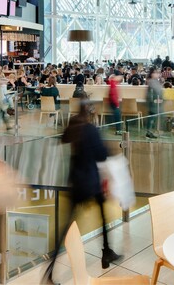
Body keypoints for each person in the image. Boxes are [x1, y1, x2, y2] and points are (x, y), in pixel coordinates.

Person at [43, 101, 120, 283]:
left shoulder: (73, 126)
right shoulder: (90, 129)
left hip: (76, 182)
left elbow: (63, 139)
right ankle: (107, 252)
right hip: (91, 182)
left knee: (65, 227)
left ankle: (50, 269)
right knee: (103, 217)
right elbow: (102, 154)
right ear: (91, 112)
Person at [146, 68, 164, 139]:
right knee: (151, 118)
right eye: (156, 73)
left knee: (152, 118)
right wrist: (154, 100)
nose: (158, 74)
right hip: (154, 104)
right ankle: (149, 132)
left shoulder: (155, 81)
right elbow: (150, 94)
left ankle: (151, 132)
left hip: (157, 103)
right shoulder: (152, 82)